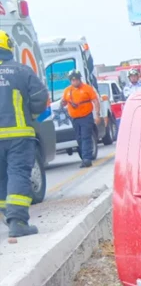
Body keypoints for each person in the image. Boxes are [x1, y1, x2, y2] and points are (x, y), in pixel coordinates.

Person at [0, 30, 50, 237]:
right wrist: (31, 116)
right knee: (18, 173)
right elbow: (40, 98)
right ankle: (18, 221)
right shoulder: (21, 71)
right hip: (19, 135)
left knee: (2, 176)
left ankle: (7, 214)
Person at [61, 70, 100, 168]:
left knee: (85, 137)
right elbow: (64, 102)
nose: (74, 82)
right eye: (72, 80)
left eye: (76, 80)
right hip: (74, 118)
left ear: (79, 79)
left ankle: (87, 159)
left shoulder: (87, 89)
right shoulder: (67, 91)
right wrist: (62, 103)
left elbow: (95, 101)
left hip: (86, 117)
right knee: (79, 138)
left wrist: (97, 115)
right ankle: (85, 157)